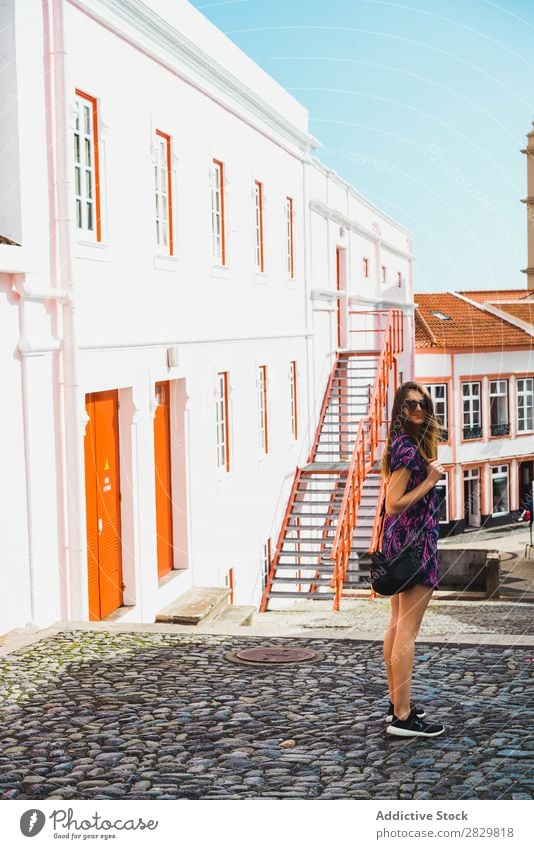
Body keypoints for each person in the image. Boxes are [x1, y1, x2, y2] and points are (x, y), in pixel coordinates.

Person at [379, 381, 446, 738]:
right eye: (410, 405)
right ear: (399, 411)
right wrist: (431, 479)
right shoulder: (407, 450)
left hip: (401, 541)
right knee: (408, 629)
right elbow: (393, 503)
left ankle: (396, 705)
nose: (418, 410)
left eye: (422, 404)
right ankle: (403, 717)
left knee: (395, 624)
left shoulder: (401, 445)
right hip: (414, 543)